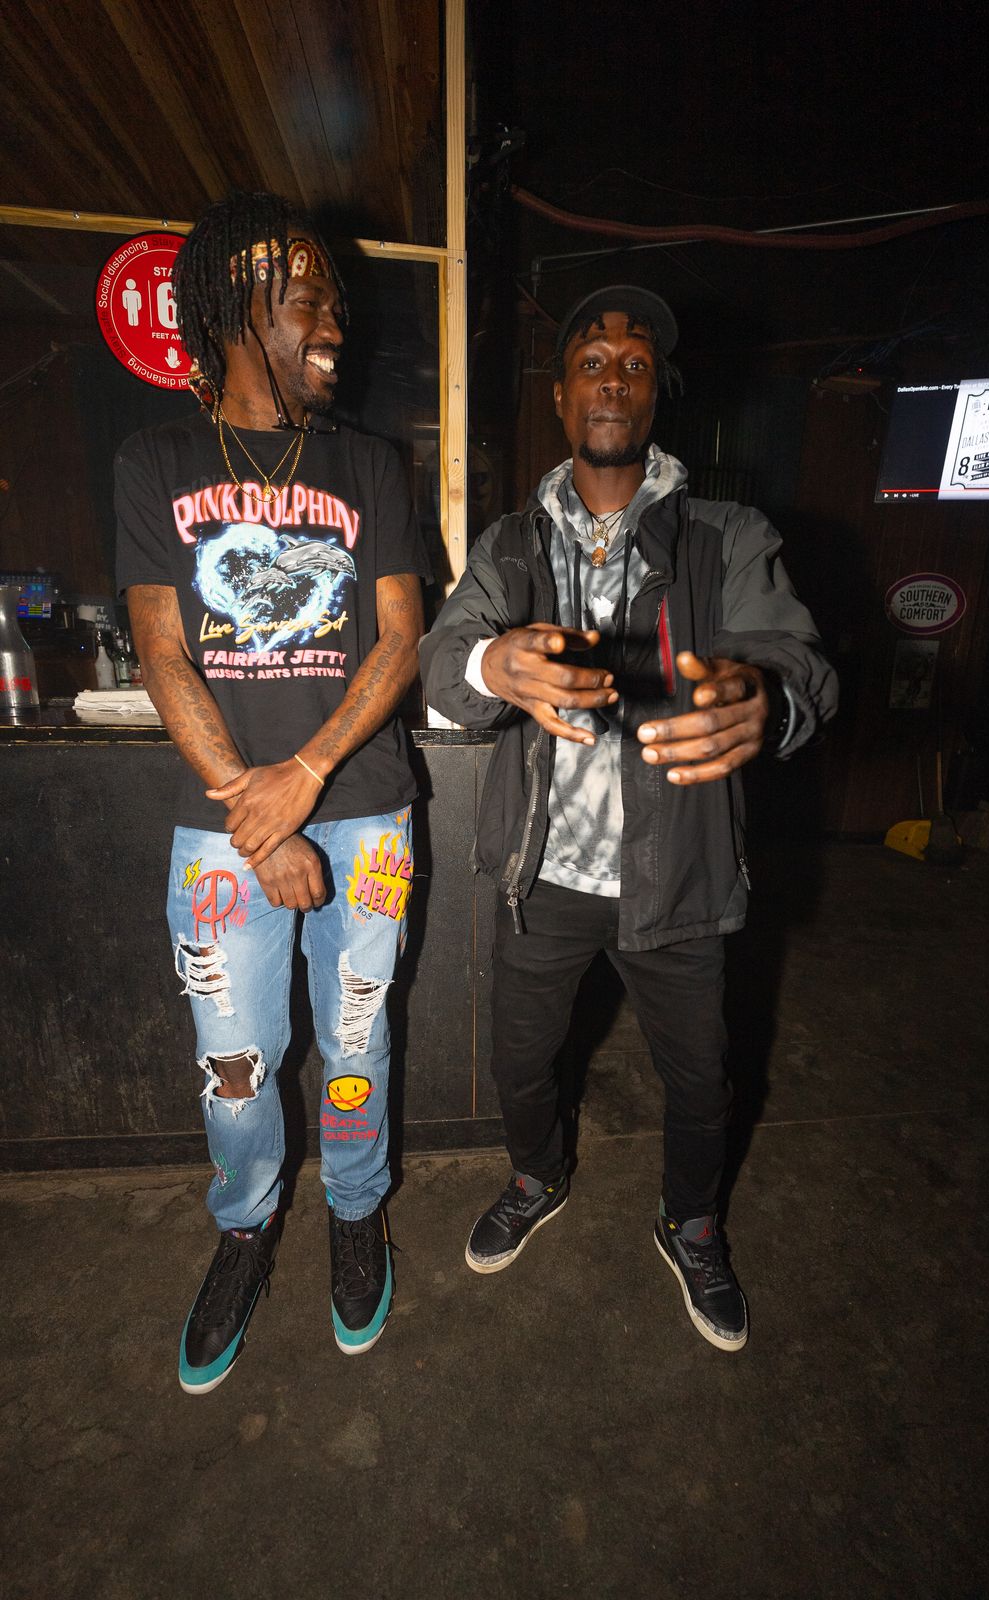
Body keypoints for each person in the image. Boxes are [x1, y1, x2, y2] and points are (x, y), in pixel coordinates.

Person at [420, 285, 837, 1351]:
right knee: (521, 1064)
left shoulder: (726, 534)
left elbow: (795, 658)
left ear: (657, 397)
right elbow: (444, 656)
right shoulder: (512, 542)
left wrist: (767, 696)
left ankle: (690, 1222)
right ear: (561, 397)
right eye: (591, 363)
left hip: (677, 875)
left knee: (699, 1079)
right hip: (543, 874)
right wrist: (489, 662)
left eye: (635, 364)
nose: (613, 378)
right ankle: (536, 1175)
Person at [115, 191, 429, 1393]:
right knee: (234, 1059)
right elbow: (162, 651)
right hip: (223, 825)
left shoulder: (369, 464)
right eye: (303, 299)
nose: (331, 321)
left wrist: (303, 777)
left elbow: (398, 639)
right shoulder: (156, 460)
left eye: (332, 300)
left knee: (356, 1035)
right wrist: (256, 809)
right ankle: (246, 1227)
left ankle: (354, 1209)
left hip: (363, 806)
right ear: (230, 309)